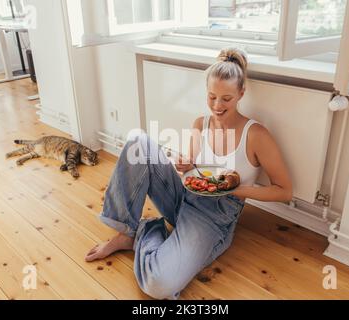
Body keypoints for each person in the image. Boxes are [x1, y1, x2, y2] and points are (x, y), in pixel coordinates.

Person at [85, 48, 293, 300]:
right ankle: (126, 232)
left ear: (241, 93)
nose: (217, 106)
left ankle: (147, 231)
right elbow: (190, 167)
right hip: (186, 195)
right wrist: (182, 163)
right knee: (137, 142)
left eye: (226, 99)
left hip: (215, 216)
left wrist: (232, 190)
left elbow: (284, 191)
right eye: (212, 97)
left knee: (158, 284)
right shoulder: (200, 123)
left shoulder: (256, 135)